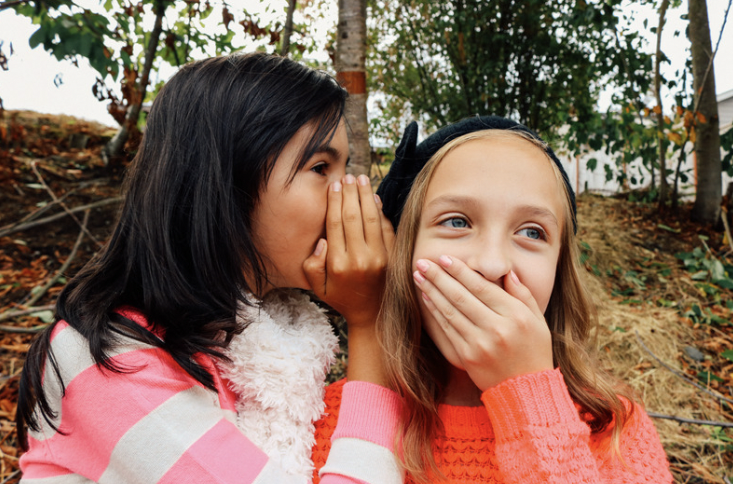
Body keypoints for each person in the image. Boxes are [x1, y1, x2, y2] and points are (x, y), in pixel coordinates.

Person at [16, 53, 404, 484]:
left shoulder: (263, 340)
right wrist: (370, 325)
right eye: (320, 168)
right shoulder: (104, 360)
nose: (350, 197)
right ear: (226, 185)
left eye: (347, 170)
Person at [312, 116, 673, 483]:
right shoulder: (325, 420)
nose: (490, 264)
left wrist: (529, 397)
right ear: (402, 252)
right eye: (456, 222)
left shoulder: (617, 431)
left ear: (559, 270)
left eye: (532, 231)